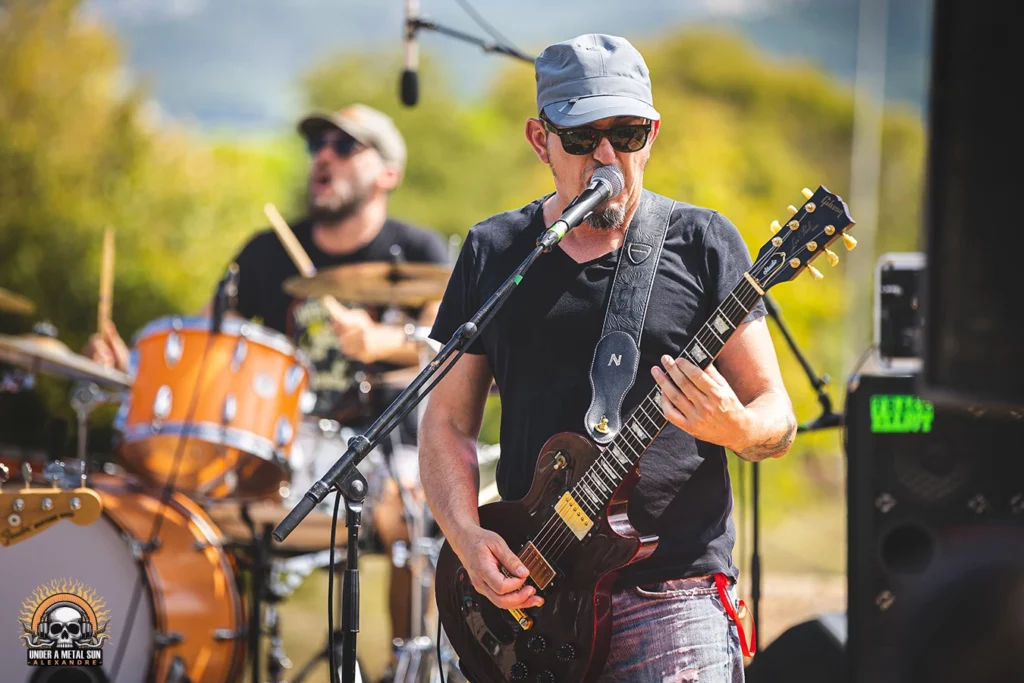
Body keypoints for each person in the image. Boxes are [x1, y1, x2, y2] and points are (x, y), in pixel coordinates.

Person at [420, 34, 796, 682]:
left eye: (626, 134)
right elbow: (447, 422)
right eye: (581, 139)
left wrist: (734, 427)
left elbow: (777, 416)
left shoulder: (703, 244)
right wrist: (465, 537)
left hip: (670, 595)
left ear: (652, 134)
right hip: (534, 598)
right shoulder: (495, 250)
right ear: (541, 141)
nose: (606, 158)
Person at [84, 103, 447, 651]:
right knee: (171, 501)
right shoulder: (265, 253)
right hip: (280, 445)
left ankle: (405, 667)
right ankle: (196, 652)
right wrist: (133, 372)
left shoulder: (418, 254)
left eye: (345, 146)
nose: (323, 155)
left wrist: (385, 342)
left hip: (382, 448)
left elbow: (447, 349)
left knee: (411, 511)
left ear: (387, 173)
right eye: (316, 144)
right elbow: (203, 352)